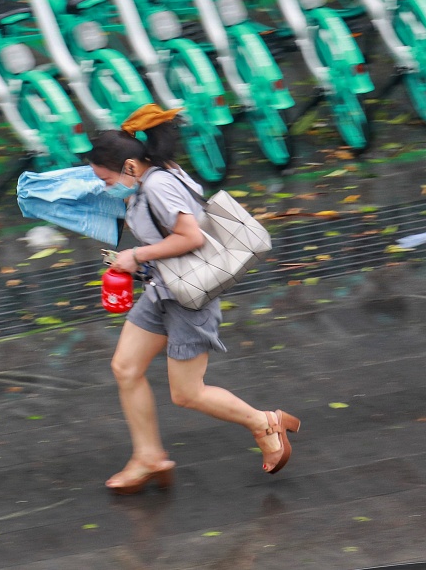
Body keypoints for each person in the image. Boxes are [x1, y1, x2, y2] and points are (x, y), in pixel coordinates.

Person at [87, 103, 299, 495]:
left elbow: (191, 237)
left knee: (187, 393)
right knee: (125, 368)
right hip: (163, 289)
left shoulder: (159, 185)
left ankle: (265, 422)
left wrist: (137, 255)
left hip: (188, 297)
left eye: (106, 179)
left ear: (130, 167)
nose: (105, 186)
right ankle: (148, 456)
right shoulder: (153, 174)